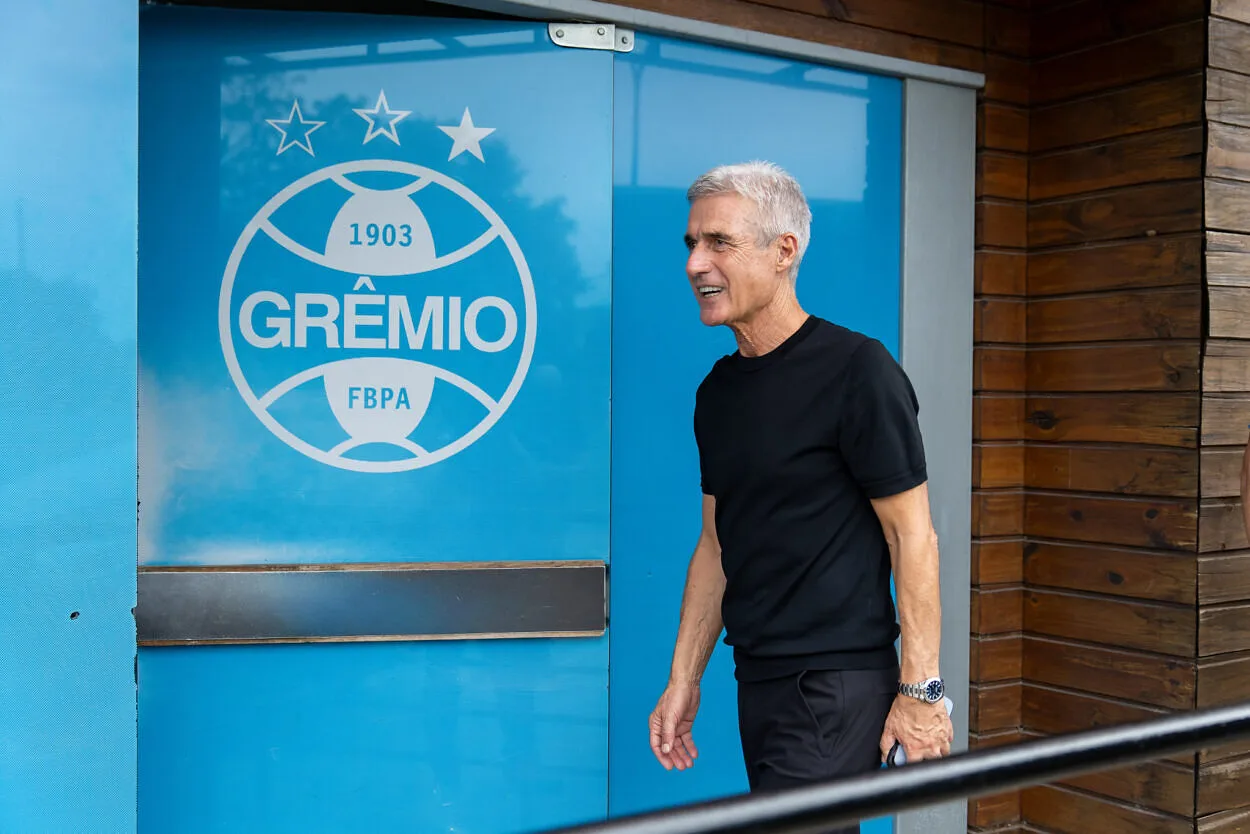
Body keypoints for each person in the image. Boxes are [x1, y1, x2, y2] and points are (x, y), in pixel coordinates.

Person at [647, 161, 954, 825]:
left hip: (835, 684)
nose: (695, 264)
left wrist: (922, 691)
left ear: (784, 250)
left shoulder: (858, 371)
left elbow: (913, 536)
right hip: (758, 678)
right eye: (692, 244)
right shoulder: (718, 393)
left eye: (719, 242)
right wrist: (684, 678)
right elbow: (717, 545)